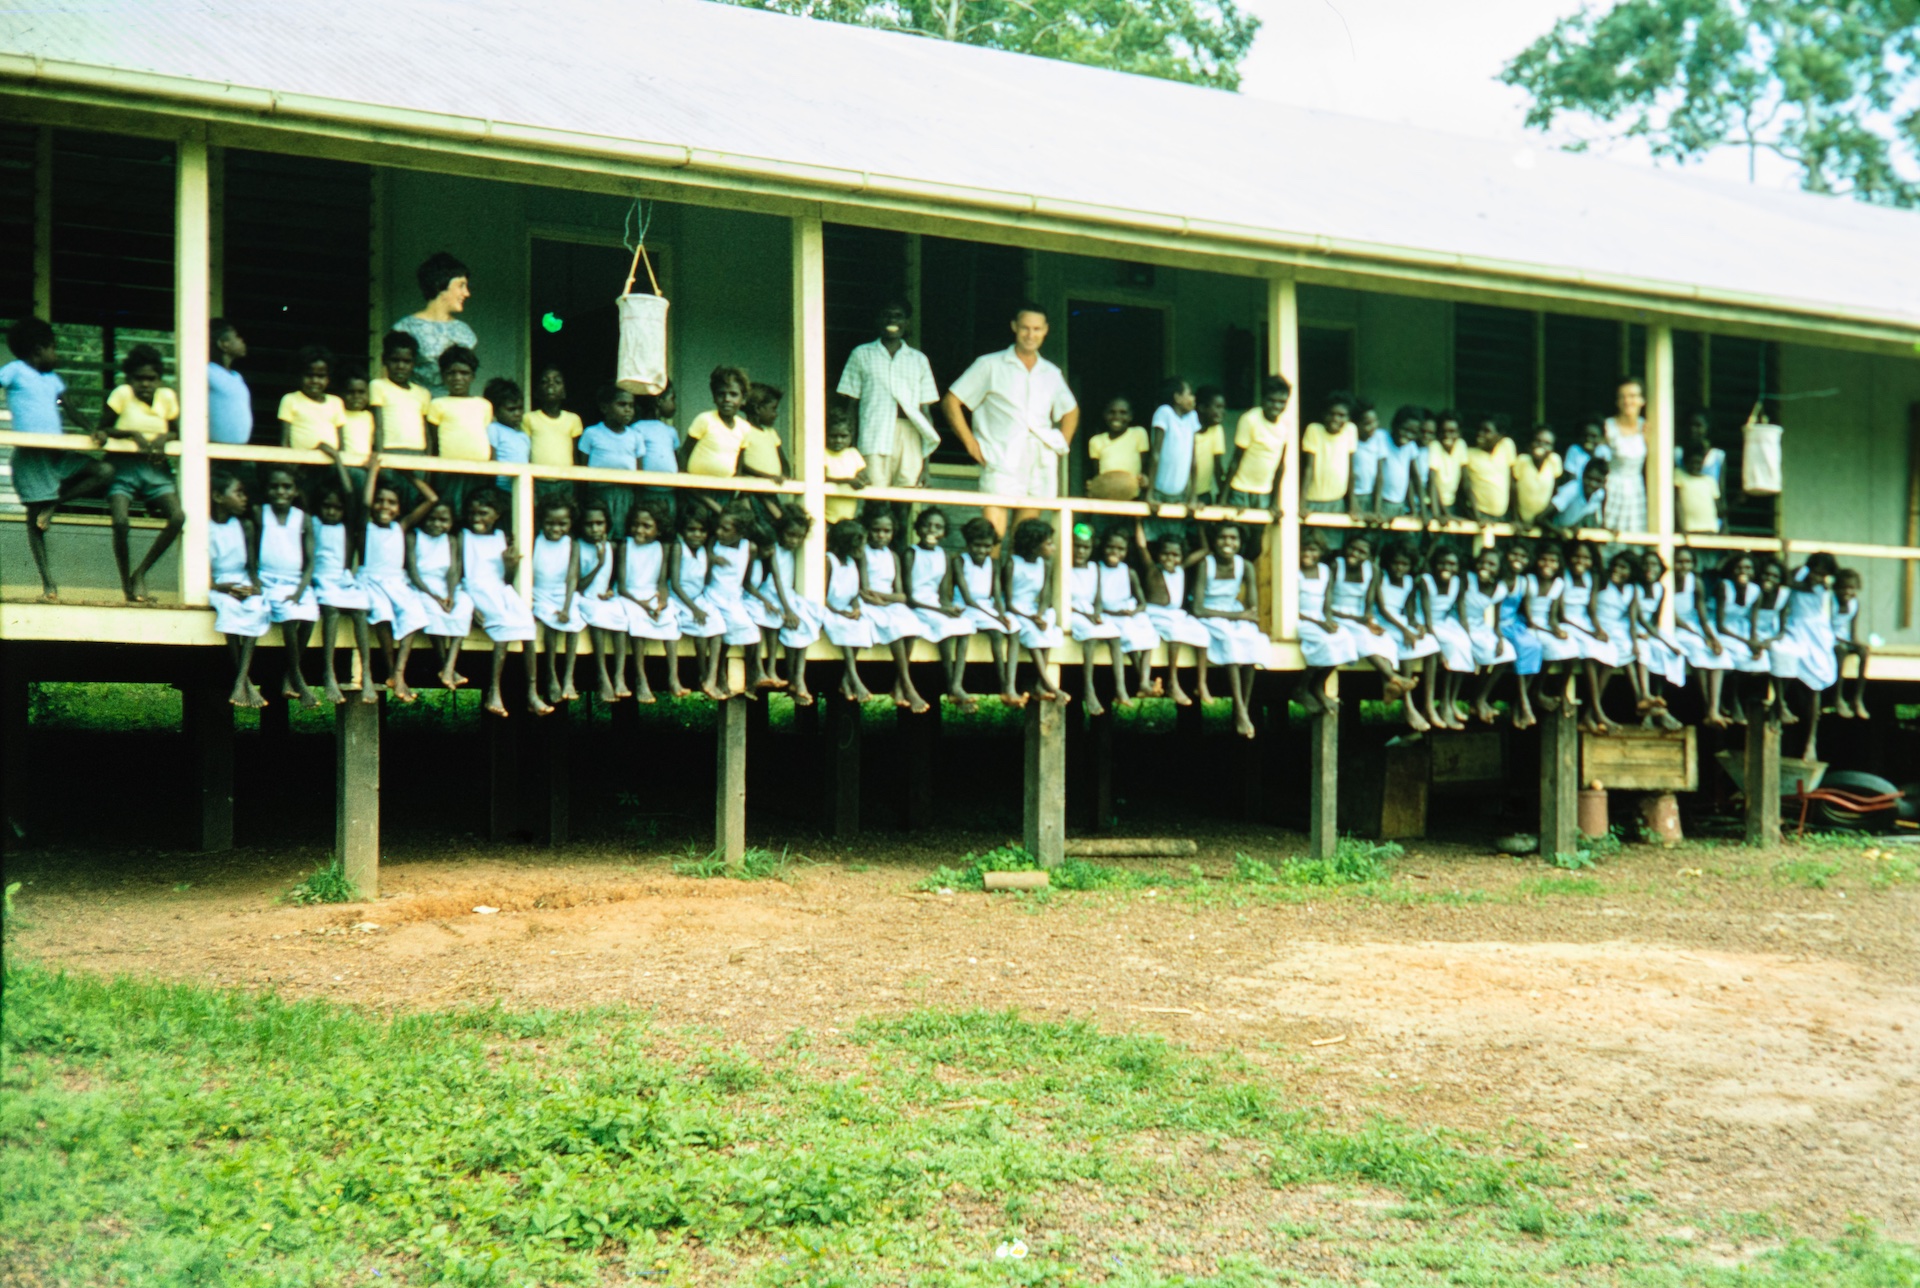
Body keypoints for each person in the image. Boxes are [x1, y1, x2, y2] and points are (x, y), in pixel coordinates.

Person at [941, 303, 1079, 534]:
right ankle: (993, 571)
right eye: (1025, 328)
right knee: (992, 535)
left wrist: (1060, 443)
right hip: (1000, 456)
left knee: (1025, 537)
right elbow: (951, 402)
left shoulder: (1051, 373)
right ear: (1014, 327)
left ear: (1045, 330)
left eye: (1036, 329)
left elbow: (1071, 411)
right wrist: (970, 444)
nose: (1030, 334)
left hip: (1039, 460)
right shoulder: (990, 364)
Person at [2, 317, 114, 601]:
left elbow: (72, 408)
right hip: (31, 456)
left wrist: (92, 429)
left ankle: (53, 503)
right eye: (53, 348)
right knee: (33, 521)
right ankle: (49, 586)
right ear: (38, 349)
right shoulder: (15, 371)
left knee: (103, 471)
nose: (57, 355)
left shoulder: (53, 380)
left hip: (57, 453)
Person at [837, 300, 940, 528]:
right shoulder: (861, 354)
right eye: (887, 315)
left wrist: (926, 466)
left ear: (907, 322)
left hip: (910, 437)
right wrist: (850, 455)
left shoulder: (918, 360)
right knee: (875, 505)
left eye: (898, 315)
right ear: (877, 320)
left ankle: (896, 561)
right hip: (873, 434)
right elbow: (850, 408)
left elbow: (925, 413)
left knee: (902, 508)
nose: (892, 320)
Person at [100, 344, 186, 604]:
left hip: (155, 469)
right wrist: (131, 434)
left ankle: (141, 573)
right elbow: (102, 428)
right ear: (129, 378)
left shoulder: (167, 397)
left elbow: (178, 432)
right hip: (123, 467)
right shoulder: (122, 394)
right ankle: (127, 585)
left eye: (151, 379)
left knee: (178, 517)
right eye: (139, 378)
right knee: (121, 523)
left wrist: (163, 438)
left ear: (159, 379)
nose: (145, 384)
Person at [359, 456, 438, 703]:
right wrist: (373, 471)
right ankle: (392, 669)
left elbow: (432, 499)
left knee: (415, 613)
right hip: (371, 581)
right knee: (383, 612)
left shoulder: (400, 526)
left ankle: (398, 673)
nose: (385, 506)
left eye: (391, 503)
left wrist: (408, 476)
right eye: (380, 501)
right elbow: (364, 501)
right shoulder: (367, 525)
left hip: (396, 581)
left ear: (399, 508)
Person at [460, 488, 536, 717]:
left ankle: (532, 692)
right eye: (472, 513)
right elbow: (460, 574)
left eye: (483, 513)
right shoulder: (464, 537)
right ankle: (494, 690)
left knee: (528, 623)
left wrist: (510, 566)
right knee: (504, 623)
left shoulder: (502, 537)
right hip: (475, 589)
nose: (476, 518)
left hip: (499, 588)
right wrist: (470, 606)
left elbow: (506, 578)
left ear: (496, 515)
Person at [312, 446, 376, 705]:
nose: (331, 511)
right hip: (320, 578)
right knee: (332, 611)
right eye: (327, 506)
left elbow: (350, 494)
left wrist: (339, 460)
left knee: (360, 610)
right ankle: (329, 672)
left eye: (336, 508)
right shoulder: (313, 523)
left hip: (342, 577)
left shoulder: (346, 527)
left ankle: (368, 675)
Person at [254, 464, 320, 708]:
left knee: (310, 614)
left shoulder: (303, 518)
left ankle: (289, 675)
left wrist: (301, 590)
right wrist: (256, 580)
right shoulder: (260, 514)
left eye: (286, 487)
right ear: (267, 490)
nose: (280, 491)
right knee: (291, 617)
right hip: (269, 579)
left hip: (296, 581)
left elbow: (311, 561)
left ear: (294, 491)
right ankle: (297, 676)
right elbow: (252, 550)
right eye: (275, 487)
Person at [1193, 522, 1265, 738]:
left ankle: (1243, 705)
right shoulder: (1206, 564)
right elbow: (1197, 608)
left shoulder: (1246, 566)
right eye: (1223, 538)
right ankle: (1241, 711)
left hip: (1232, 611)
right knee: (1231, 640)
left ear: (1240, 543)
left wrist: (1247, 617)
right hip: (1209, 614)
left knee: (1253, 639)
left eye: (1233, 539)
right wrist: (1239, 616)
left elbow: (1252, 609)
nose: (1228, 543)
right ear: (1215, 541)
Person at [206, 470, 270, 708]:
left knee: (256, 606)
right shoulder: (205, 527)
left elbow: (252, 568)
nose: (244, 498)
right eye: (238, 493)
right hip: (217, 584)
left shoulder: (245, 527)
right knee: (229, 608)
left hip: (241, 580)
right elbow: (201, 574)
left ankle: (241, 679)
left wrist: (255, 588)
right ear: (218, 497)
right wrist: (221, 587)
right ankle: (247, 683)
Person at [748, 506, 822, 706]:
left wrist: (791, 608)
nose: (794, 541)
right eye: (790, 535)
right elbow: (778, 580)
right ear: (780, 532)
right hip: (771, 592)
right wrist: (788, 609)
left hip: (787, 595)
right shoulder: (773, 548)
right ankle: (771, 670)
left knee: (806, 620)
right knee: (779, 617)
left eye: (799, 537)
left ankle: (797, 677)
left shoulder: (794, 552)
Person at [858, 509, 929, 711]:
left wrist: (887, 599)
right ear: (867, 531)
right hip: (869, 605)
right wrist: (884, 600)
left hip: (888, 603)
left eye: (886, 531)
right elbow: (865, 590)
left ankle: (899, 684)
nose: (881, 535)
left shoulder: (893, 556)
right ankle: (907, 686)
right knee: (896, 625)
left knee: (912, 623)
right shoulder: (863, 553)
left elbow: (902, 595)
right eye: (876, 530)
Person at [903, 508, 974, 708]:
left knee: (964, 625)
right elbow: (910, 598)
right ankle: (951, 685)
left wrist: (949, 608)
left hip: (935, 606)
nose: (931, 530)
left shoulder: (944, 556)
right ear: (917, 528)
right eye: (926, 525)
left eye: (938, 527)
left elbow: (943, 594)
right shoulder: (911, 553)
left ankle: (957, 684)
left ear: (944, 532)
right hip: (917, 607)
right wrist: (942, 612)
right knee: (944, 628)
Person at [1135, 520, 1211, 707]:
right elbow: (1141, 545)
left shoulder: (1180, 569)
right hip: (1156, 614)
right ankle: (1172, 682)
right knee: (1176, 633)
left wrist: (1199, 525)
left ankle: (1201, 683)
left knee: (1203, 634)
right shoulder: (1152, 568)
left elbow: (1205, 550)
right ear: (1158, 554)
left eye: (1175, 554)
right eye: (1165, 553)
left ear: (1182, 556)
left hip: (1176, 614)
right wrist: (1138, 521)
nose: (1170, 558)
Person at [1322, 532, 1404, 700]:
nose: (1355, 554)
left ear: (1369, 556)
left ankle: (1387, 685)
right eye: (1352, 548)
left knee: (1384, 639)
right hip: (1335, 615)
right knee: (1362, 637)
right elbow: (1327, 602)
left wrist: (1369, 621)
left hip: (1358, 617)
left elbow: (1368, 605)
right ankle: (1393, 677)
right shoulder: (1337, 565)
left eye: (1362, 552)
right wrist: (1355, 620)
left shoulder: (1372, 570)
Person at [406, 496, 475, 692]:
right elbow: (413, 572)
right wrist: (436, 597)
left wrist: (451, 595)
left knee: (464, 606)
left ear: (451, 521)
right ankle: (446, 667)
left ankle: (449, 667)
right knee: (434, 610)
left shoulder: (451, 540)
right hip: (420, 586)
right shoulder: (414, 536)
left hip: (446, 587)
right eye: (432, 519)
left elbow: (453, 571)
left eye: (443, 520)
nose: (437, 524)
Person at [704, 505, 772, 696]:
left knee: (751, 632)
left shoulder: (748, 548)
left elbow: (747, 582)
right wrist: (711, 559)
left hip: (734, 598)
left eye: (725, 529)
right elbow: (705, 571)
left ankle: (753, 676)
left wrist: (764, 600)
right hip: (713, 595)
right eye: (719, 527)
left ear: (740, 532)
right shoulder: (713, 543)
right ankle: (720, 675)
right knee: (725, 627)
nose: (719, 532)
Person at [618, 502, 682, 705]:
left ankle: (673, 677)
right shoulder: (625, 546)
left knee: (669, 618)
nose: (639, 530)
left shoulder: (661, 548)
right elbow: (621, 587)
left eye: (646, 526)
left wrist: (661, 602)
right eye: (636, 525)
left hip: (651, 594)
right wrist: (643, 605)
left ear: (658, 529)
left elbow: (662, 583)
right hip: (630, 596)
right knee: (638, 620)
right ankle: (641, 678)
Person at [1372, 540, 1439, 732]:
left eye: (1404, 564)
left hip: (1401, 621)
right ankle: (1407, 705)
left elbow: (1408, 612)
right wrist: (1404, 630)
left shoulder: (1409, 581)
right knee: (1407, 643)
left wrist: (1416, 625)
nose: (1399, 568)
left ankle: (1428, 703)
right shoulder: (1382, 577)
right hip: (1382, 620)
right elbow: (1383, 609)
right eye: (1395, 563)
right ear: (1388, 562)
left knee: (1431, 643)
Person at [951, 516, 1017, 705]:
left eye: (987, 546)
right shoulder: (960, 561)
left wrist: (1001, 615)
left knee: (998, 635)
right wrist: (994, 617)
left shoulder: (993, 564)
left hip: (986, 607)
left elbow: (996, 595)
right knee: (964, 632)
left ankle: (1005, 686)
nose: (982, 550)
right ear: (968, 543)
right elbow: (968, 597)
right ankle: (957, 684)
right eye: (977, 545)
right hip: (965, 606)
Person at [391, 251, 477, 396]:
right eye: (461, 286)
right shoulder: (405, 328)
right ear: (440, 285)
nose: (467, 293)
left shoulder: (465, 333)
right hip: (414, 407)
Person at [571, 501, 631, 704]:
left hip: (603, 597)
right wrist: (599, 563)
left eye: (600, 523)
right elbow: (578, 585)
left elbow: (612, 577)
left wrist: (610, 590)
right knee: (597, 617)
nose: (595, 528)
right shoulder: (577, 546)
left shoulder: (610, 545)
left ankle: (619, 676)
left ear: (607, 524)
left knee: (620, 615)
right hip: (583, 596)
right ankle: (602, 676)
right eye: (590, 524)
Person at [1002, 517, 1066, 704]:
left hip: (1033, 609)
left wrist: (1040, 613)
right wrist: (1030, 617)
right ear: (1033, 545)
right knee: (1032, 631)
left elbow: (1045, 595)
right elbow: (1009, 602)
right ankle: (1049, 683)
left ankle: (1039, 684)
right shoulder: (1013, 564)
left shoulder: (1044, 565)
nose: (1052, 548)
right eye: (1048, 544)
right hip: (1016, 610)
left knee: (1048, 626)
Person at [1292, 533, 1357, 715]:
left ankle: (1318, 685)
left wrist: (1328, 620)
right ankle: (1302, 688)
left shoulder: (1324, 570)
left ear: (1321, 552)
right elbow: (1291, 607)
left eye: (1313, 550)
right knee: (1324, 642)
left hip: (1320, 617)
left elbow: (1327, 600)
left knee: (1344, 637)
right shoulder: (1295, 572)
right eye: (1304, 549)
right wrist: (1318, 623)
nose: (1307, 553)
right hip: (1300, 619)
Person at [425, 345, 492, 518]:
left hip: (479, 471)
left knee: (476, 515)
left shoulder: (483, 405)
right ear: (443, 376)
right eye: (451, 373)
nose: (457, 378)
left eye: (464, 373)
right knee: (450, 515)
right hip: (448, 472)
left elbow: (487, 439)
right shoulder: (437, 404)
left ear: (473, 376)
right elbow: (433, 443)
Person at [528, 497, 582, 711]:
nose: (555, 528)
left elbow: (572, 578)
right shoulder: (535, 541)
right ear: (542, 521)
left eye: (562, 524)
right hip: (539, 593)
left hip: (563, 593)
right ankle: (551, 675)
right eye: (550, 523)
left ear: (570, 524)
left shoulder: (572, 544)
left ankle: (568, 677)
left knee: (575, 622)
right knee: (551, 621)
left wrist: (567, 606)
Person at [1095, 526, 1158, 706]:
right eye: (1111, 547)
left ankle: (1145, 680)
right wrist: (1115, 613)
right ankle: (1144, 682)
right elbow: (1097, 602)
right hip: (1109, 613)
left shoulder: (1128, 571)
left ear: (1126, 551)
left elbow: (1142, 602)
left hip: (1128, 611)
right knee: (1129, 634)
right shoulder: (1097, 569)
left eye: (1120, 549)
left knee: (1148, 632)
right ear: (1103, 547)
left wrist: (1134, 611)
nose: (1115, 552)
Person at [1065, 523, 1124, 716]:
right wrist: (1086, 616)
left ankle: (1120, 687)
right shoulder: (1065, 567)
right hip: (1072, 612)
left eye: (1086, 547)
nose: (1081, 551)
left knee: (1115, 634)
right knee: (1090, 636)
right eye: (1077, 546)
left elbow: (1097, 599)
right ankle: (1088, 689)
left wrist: (1097, 613)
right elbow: (1062, 600)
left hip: (1090, 612)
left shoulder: (1094, 568)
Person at [667, 508, 726, 700]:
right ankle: (703, 675)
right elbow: (675, 584)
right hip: (679, 599)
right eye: (691, 530)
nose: (697, 534)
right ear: (683, 531)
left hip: (697, 597)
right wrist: (695, 609)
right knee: (701, 626)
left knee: (717, 625)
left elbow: (705, 579)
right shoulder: (679, 548)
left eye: (702, 530)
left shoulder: (702, 551)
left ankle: (711, 677)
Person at [1670, 546, 1732, 726]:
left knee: (1718, 653)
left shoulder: (1695, 582)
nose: (1683, 566)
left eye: (1688, 562)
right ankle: (1709, 708)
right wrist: (1697, 634)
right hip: (1676, 627)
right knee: (1697, 648)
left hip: (1693, 624)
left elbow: (1703, 616)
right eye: (1679, 562)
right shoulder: (1667, 582)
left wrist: (1712, 637)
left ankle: (1714, 707)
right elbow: (1672, 616)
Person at [821, 518, 881, 702]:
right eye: (858, 545)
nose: (862, 550)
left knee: (862, 624)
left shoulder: (852, 562)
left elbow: (854, 592)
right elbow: (821, 595)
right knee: (845, 626)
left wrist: (855, 608)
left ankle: (846, 680)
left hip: (846, 607)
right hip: (829, 609)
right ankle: (855, 679)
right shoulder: (829, 561)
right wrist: (837, 612)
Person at [579, 383, 643, 538]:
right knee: (599, 533)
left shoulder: (635, 436)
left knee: (622, 534)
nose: (628, 410)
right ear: (604, 408)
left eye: (631, 405)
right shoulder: (592, 433)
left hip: (626, 494)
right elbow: (582, 468)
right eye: (622, 404)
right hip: (599, 494)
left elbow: (640, 473)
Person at [1632, 551, 1686, 730]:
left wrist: (1665, 642)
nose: (1650, 569)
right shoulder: (1636, 588)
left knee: (1667, 652)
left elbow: (1655, 618)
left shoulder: (1660, 589)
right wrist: (1661, 639)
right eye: (1646, 564)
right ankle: (1646, 699)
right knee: (1645, 650)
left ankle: (1659, 701)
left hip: (1651, 630)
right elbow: (1639, 618)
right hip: (1634, 628)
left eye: (1654, 565)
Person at [1462, 546, 1515, 725]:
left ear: (1499, 568)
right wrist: (1467, 633)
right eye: (1482, 562)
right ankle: (1475, 700)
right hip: (1460, 622)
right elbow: (1460, 608)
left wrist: (1499, 638)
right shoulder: (1467, 580)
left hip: (1480, 625)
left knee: (1507, 652)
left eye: (1492, 564)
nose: (1485, 567)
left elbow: (1496, 621)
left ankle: (1481, 697)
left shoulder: (1500, 588)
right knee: (1485, 652)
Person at [1423, 545, 1474, 729]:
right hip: (1426, 624)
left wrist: (1468, 634)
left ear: (1458, 567)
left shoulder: (1457, 583)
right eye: (1442, 563)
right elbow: (1427, 618)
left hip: (1445, 622)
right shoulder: (1426, 581)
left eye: (1452, 564)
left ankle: (1451, 701)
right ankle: (1444, 704)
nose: (1447, 567)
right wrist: (1436, 644)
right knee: (1452, 647)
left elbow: (1461, 611)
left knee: (1464, 644)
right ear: (1435, 565)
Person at [1225, 375, 1290, 520]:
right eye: (1271, 401)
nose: (1276, 406)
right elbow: (1235, 460)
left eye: (1281, 402)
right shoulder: (1250, 419)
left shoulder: (1285, 424)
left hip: (1264, 492)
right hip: (1240, 489)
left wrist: (1275, 502)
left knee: (1258, 537)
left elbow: (1280, 465)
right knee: (1238, 530)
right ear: (1263, 399)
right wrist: (1223, 499)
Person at [1588, 551, 1639, 733]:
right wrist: (1598, 629)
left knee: (1623, 652)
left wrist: (1635, 642)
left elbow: (1632, 620)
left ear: (1632, 572)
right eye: (1615, 565)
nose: (1617, 570)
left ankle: (1590, 713)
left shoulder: (1632, 590)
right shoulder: (1602, 581)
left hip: (1615, 628)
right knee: (1607, 655)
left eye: (1623, 567)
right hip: (1595, 625)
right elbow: (1592, 608)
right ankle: (1594, 711)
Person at [1715, 554, 1767, 723]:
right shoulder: (1725, 587)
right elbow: (1720, 625)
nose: (1743, 571)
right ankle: (1730, 699)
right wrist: (1746, 642)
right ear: (1732, 570)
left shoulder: (1755, 591)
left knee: (1757, 660)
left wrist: (1754, 643)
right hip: (1723, 629)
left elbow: (1753, 620)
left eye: (1748, 568)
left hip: (1740, 628)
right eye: (1739, 567)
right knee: (1730, 656)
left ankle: (1738, 698)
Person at [1496, 541, 1542, 728]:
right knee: (1519, 649)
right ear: (1506, 556)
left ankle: (1520, 702)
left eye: (1523, 557)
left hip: (1514, 623)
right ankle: (1524, 703)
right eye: (1514, 554)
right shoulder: (1498, 579)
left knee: (1534, 646)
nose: (1518, 560)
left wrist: (1535, 624)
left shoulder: (1524, 582)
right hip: (1496, 625)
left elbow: (1528, 610)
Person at [370, 332, 432, 459]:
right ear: (384, 360)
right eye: (395, 360)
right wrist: (380, 456)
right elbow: (378, 426)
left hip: (418, 453)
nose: (400, 366)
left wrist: (428, 460)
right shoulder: (378, 386)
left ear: (413, 364)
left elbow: (427, 433)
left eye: (406, 361)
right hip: (389, 450)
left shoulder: (423, 393)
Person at [685, 365, 752, 482]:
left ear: (744, 399)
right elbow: (684, 453)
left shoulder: (744, 428)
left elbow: (739, 465)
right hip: (697, 487)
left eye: (733, 394)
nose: (727, 399)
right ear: (714, 397)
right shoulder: (705, 420)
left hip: (725, 488)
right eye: (721, 394)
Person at [1603, 377, 1651, 536]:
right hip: (1612, 487)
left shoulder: (1646, 427)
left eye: (1632, 396)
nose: (1627, 401)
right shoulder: (1608, 427)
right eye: (1622, 397)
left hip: (1636, 490)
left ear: (1642, 400)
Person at [525, 365, 583, 498]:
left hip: (565, 481)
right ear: (536, 392)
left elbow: (575, 454)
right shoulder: (529, 418)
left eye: (557, 382)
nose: (551, 385)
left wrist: (576, 482)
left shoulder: (573, 419)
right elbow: (525, 451)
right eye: (545, 381)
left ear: (564, 392)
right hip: (537, 480)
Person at [279, 345, 346, 451]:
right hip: (300, 462)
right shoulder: (290, 400)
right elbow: (284, 442)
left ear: (329, 378)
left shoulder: (336, 402)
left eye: (321, 376)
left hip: (330, 462)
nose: (315, 380)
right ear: (299, 376)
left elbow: (341, 443)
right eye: (309, 375)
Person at [1299, 393, 1357, 515]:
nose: (1335, 419)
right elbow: (1309, 468)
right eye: (1332, 414)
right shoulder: (1314, 430)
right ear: (1324, 415)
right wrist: (1302, 503)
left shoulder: (1350, 430)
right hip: (1313, 500)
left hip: (1337, 501)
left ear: (1348, 418)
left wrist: (1352, 504)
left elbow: (1351, 470)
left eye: (1341, 415)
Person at [1087, 397, 1150, 500]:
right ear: (1105, 415)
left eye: (1123, 413)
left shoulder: (1138, 434)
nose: (1117, 417)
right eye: (1112, 412)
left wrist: (1145, 479)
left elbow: (1145, 465)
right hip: (1106, 496)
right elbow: (1097, 474)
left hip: (1133, 496)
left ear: (1130, 416)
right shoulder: (1096, 441)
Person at [1373, 407, 1428, 522]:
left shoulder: (1411, 447)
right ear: (1395, 425)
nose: (1408, 435)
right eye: (1404, 429)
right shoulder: (1383, 438)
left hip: (1400, 504)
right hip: (1382, 501)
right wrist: (1377, 510)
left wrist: (1421, 510)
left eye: (1413, 433)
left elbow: (1414, 478)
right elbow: (1379, 476)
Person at [1462, 416, 1517, 524]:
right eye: (1480, 430)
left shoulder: (1506, 445)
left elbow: (1512, 484)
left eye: (1486, 431)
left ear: (1499, 436)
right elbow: (1466, 487)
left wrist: (1515, 518)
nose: (1480, 434)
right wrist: (1476, 516)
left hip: (1503, 515)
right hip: (1479, 514)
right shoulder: (1469, 453)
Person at [207, 319, 253, 446]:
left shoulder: (236, 377)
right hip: (215, 452)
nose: (241, 340)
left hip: (238, 451)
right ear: (223, 344)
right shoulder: (207, 371)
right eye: (237, 337)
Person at [1831, 568, 1870, 718]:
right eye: (1844, 587)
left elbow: (1853, 632)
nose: (1847, 591)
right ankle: (1837, 697)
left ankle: (1857, 698)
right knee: (1840, 651)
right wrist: (1845, 642)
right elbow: (1825, 629)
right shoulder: (1830, 601)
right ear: (1837, 587)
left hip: (1844, 639)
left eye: (1852, 588)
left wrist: (1857, 643)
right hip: (1828, 639)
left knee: (1864, 651)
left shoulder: (1854, 604)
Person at [823, 406, 867, 522]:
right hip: (826, 517)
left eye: (843, 436)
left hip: (849, 517)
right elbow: (821, 479)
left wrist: (863, 479)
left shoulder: (853, 454)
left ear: (851, 436)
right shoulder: (822, 454)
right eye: (833, 436)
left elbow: (863, 475)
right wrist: (847, 481)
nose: (838, 440)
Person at [485, 377, 530, 493]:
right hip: (499, 489)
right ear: (495, 411)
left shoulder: (523, 436)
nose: (517, 413)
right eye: (511, 409)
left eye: (520, 408)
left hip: (520, 490)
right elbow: (491, 461)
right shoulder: (493, 429)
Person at [1512, 426, 1561, 528]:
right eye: (1538, 441)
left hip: (1543, 522)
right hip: (1521, 521)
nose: (1541, 446)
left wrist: (1544, 519)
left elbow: (1555, 493)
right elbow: (1513, 492)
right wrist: (1517, 519)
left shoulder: (1554, 461)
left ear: (1552, 448)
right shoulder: (1522, 461)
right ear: (1530, 444)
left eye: (1547, 444)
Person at [739, 383, 788, 483]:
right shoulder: (742, 430)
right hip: (752, 488)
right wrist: (766, 477)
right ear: (757, 409)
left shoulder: (771, 433)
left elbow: (784, 462)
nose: (776, 414)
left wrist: (785, 477)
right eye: (773, 409)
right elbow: (740, 465)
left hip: (772, 487)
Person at [1348, 400, 1388, 520]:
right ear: (1355, 424)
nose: (1373, 426)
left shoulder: (1379, 438)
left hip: (1371, 496)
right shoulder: (1351, 440)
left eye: (1375, 421)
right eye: (1367, 423)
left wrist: (1377, 508)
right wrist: (1353, 504)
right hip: (1353, 496)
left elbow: (1379, 476)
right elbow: (1349, 475)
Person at [1190, 387, 1229, 507]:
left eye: (1223, 407)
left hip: (1204, 494)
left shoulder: (1217, 430)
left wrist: (1224, 497)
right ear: (1202, 408)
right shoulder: (1187, 428)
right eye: (1217, 407)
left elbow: (1218, 467)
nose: (1222, 412)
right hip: (1182, 493)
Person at [1426, 411, 1469, 518]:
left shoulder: (1461, 445)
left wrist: (1477, 516)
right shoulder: (1434, 446)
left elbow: (1466, 481)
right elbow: (1432, 482)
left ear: (1459, 433)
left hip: (1451, 505)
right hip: (1432, 505)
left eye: (1452, 431)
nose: (1447, 435)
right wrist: (1442, 513)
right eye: (1443, 431)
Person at [1675, 444, 1724, 534]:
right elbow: (1676, 503)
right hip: (1688, 529)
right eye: (1692, 463)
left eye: (1698, 463)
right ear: (1686, 463)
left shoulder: (1710, 481)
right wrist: (1680, 527)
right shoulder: (1679, 476)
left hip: (1710, 529)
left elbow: (1719, 510)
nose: (1695, 466)